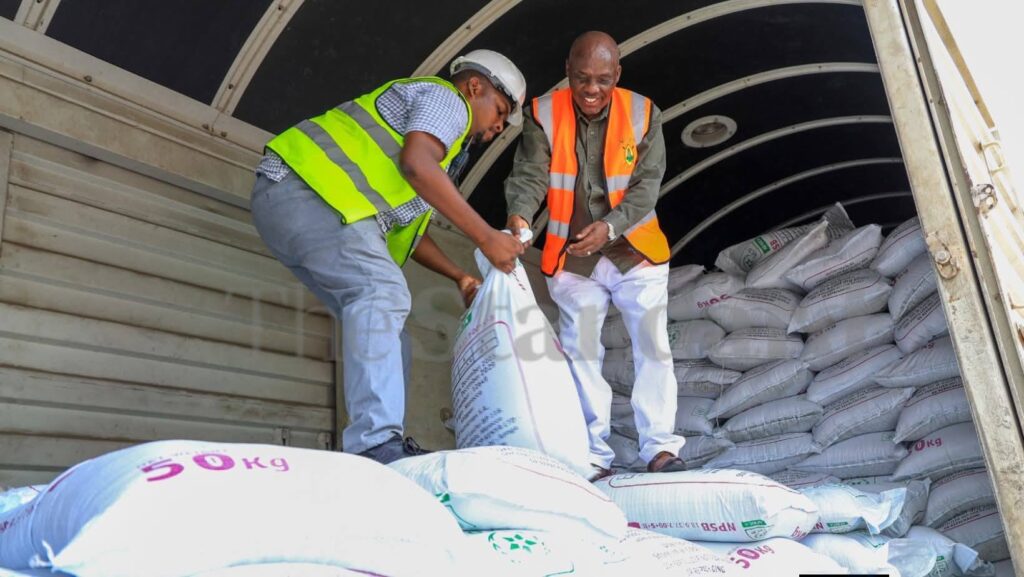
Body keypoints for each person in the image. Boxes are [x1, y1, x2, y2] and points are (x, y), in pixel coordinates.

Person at [250, 50, 528, 465]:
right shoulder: (445, 101)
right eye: (500, 111)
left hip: (301, 206)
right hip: (307, 190)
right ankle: (374, 442)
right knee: (382, 292)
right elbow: (416, 164)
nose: (497, 128)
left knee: (390, 325)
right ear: (475, 88)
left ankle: (385, 444)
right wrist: (487, 236)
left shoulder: (439, 155)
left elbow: (410, 237)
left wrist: (459, 276)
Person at [504, 31, 685, 480]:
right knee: (582, 354)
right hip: (574, 258)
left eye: (603, 79)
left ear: (617, 75)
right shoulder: (543, 114)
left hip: (634, 251)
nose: (591, 89)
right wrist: (520, 218)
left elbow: (646, 188)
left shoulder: (644, 113)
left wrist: (610, 227)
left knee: (652, 348)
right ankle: (593, 456)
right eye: (582, 78)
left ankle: (660, 448)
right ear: (567, 70)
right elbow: (529, 176)